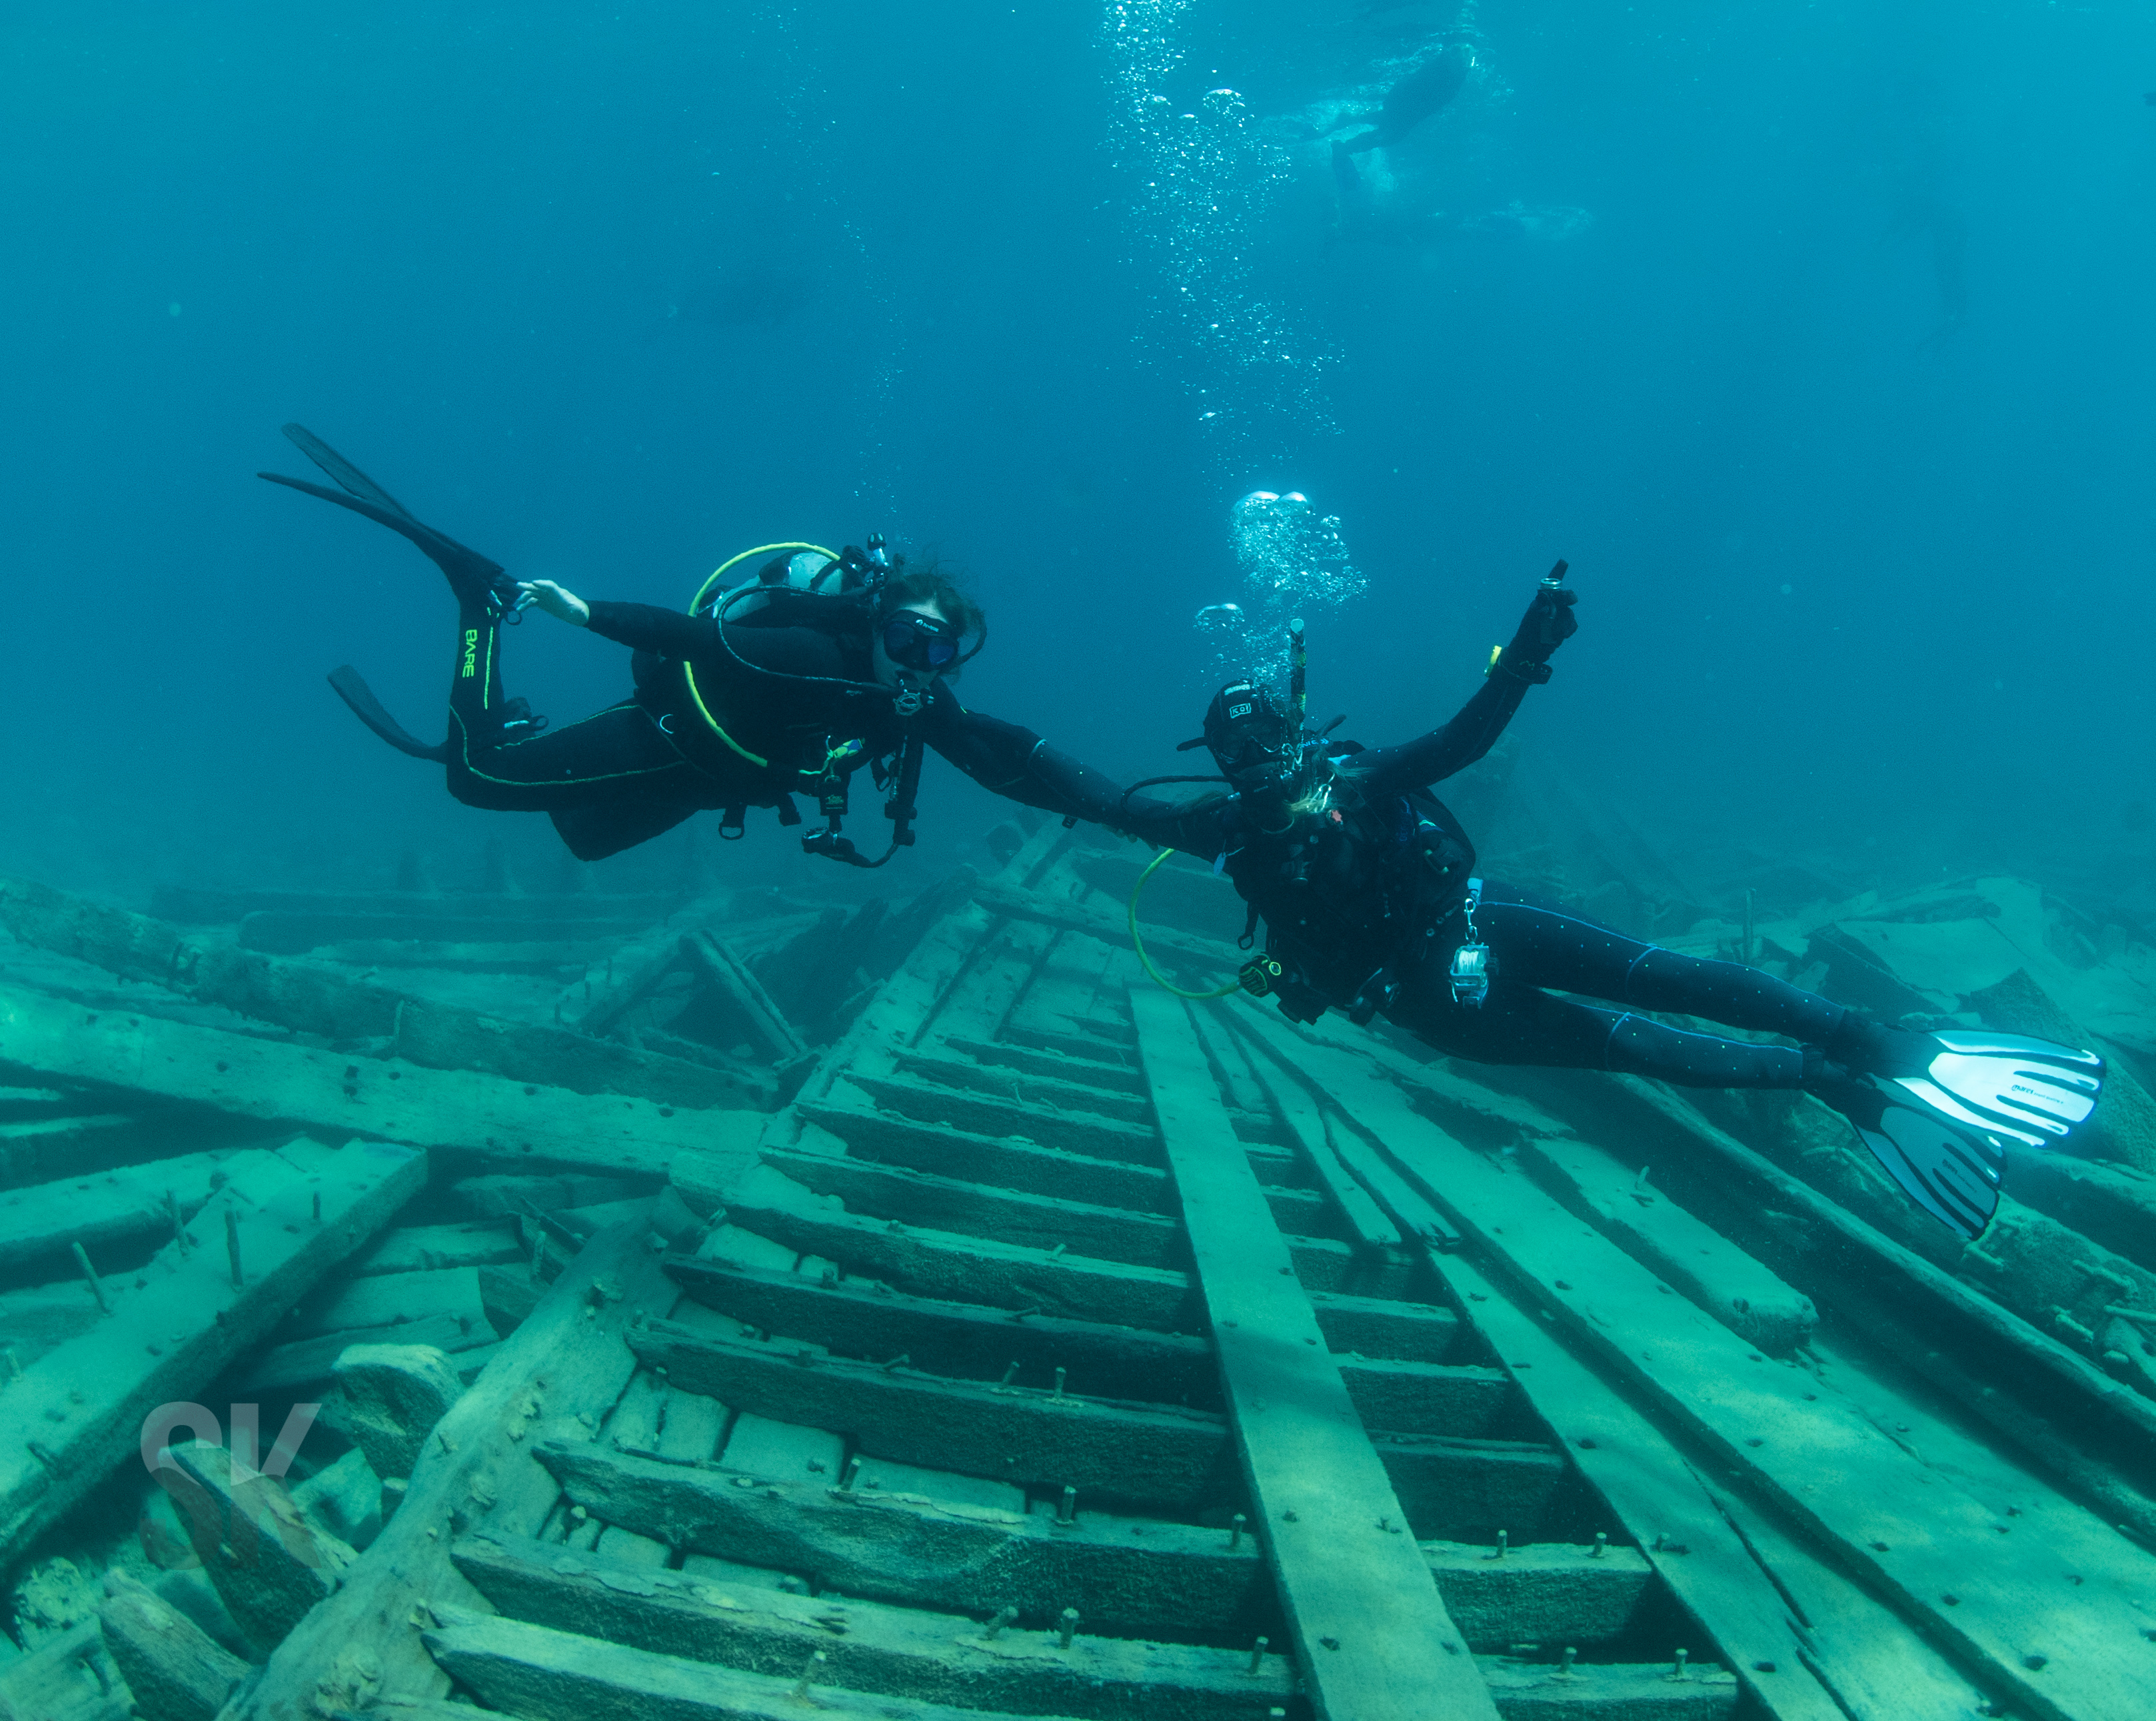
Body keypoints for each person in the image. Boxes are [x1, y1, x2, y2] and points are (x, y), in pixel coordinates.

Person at [1104, 569, 2105, 1242]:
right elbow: (1083, 795)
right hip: (1437, 1008)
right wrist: (960, 723)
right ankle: (1841, 1084)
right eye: (1238, 756)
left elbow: (1459, 745)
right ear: (1222, 768)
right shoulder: (1222, 832)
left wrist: (1526, 655)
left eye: (1267, 737)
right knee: (1633, 1042)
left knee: (1657, 978)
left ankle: (1877, 1043)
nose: (1259, 765)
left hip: (1477, 925)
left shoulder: (1357, 784)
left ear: (1295, 724)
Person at [259, 425, 1121, 866]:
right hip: (669, 739)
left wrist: (1131, 812)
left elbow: (1005, 757)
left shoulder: (916, 702)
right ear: (877, 627)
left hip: (712, 778)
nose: (916, 666)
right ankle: (473, 602)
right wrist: (582, 612)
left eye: (938, 655)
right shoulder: (813, 655)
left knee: (585, 842)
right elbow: (689, 636)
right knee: (472, 780)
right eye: (905, 640)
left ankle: (526, 735)